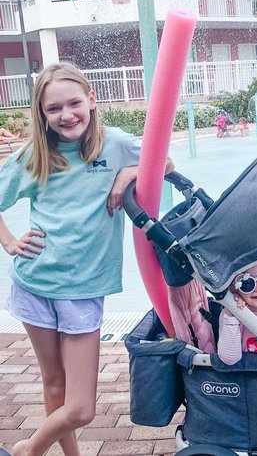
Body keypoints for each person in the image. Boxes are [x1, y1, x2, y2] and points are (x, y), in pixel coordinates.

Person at [0, 62, 173, 456]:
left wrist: (127, 175)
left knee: (80, 408)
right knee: (54, 384)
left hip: (83, 289)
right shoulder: (35, 156)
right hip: (35, 283)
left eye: (74, 103)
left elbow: (164, 162)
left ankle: (29, 449)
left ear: (91, 100)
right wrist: (9, 242)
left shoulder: (115, 144)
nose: (66, 114)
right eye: (54, 108)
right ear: (42, 113)